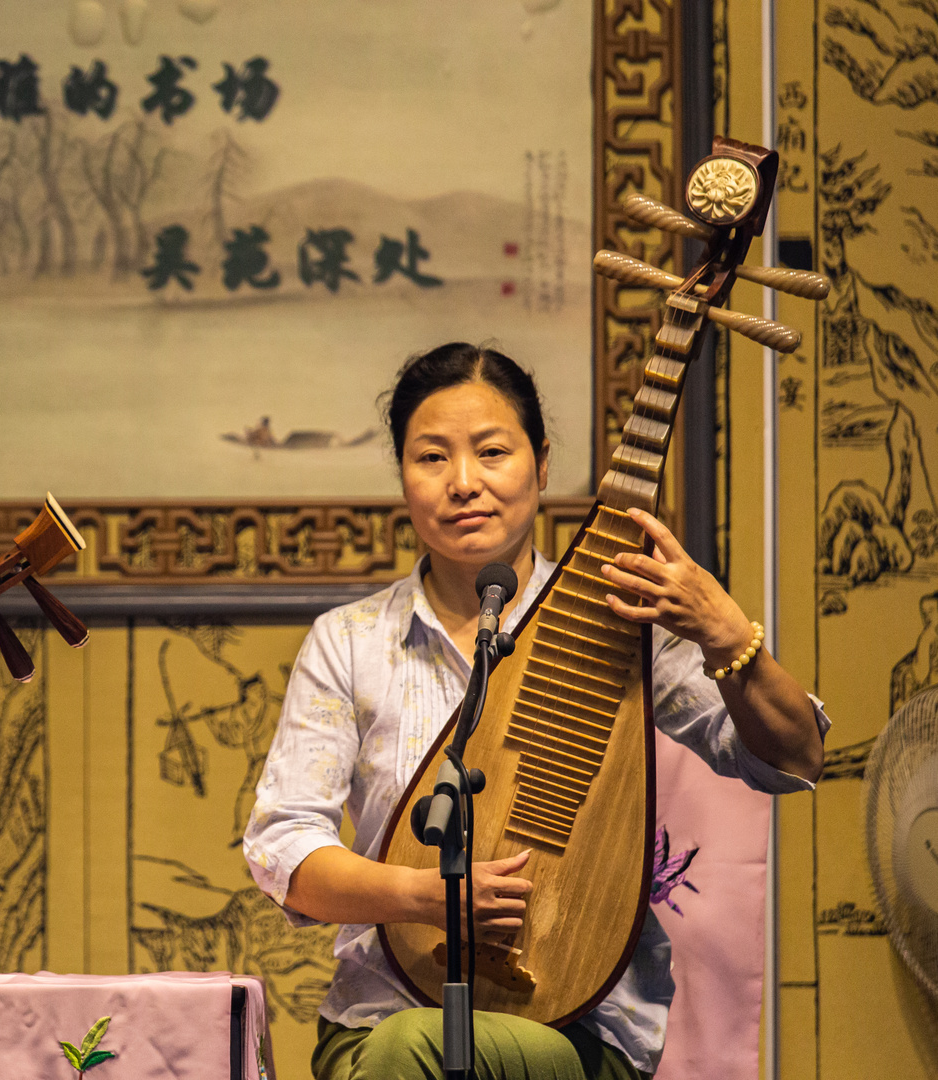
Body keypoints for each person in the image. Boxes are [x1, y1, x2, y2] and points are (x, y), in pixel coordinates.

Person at [242, 342, 828, 1080]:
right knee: (406, 1046)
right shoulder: (352, 642)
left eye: (492, 451)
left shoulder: (616, 621)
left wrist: (725, 632)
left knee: (416, 1055)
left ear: (541, 464)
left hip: (579, 1026)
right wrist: (428, 895)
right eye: (431, 458)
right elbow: (282, 847)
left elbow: (792, 758)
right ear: (402, 476)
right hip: (385, 1013)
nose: (464, 483)